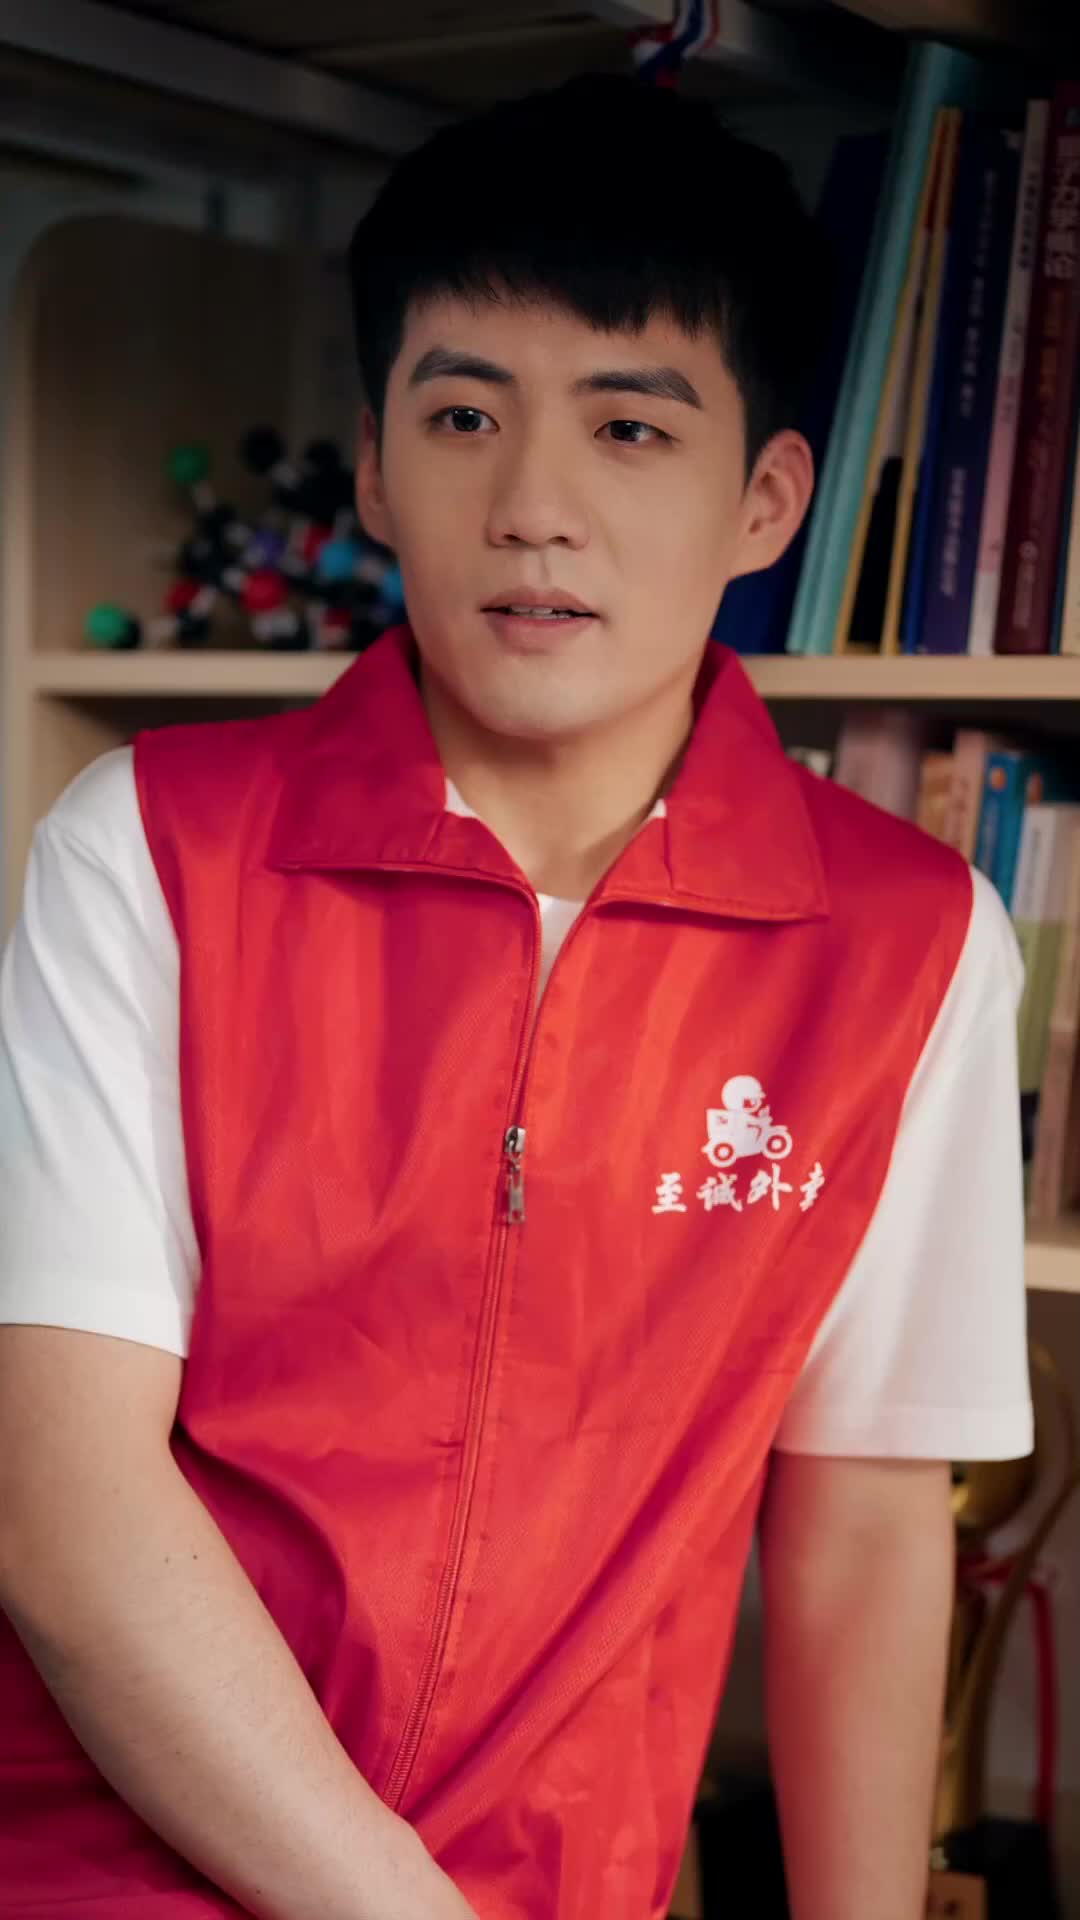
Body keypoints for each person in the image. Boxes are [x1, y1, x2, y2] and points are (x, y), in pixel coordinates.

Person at [0, 70, 1032, 1920]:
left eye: (630, 429)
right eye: (464, 416)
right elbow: (60, 1513)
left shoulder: (917, 942)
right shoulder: (146, 850)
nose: (534, 507)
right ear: (375, 468)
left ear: (766, 500)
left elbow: (867, 1532)